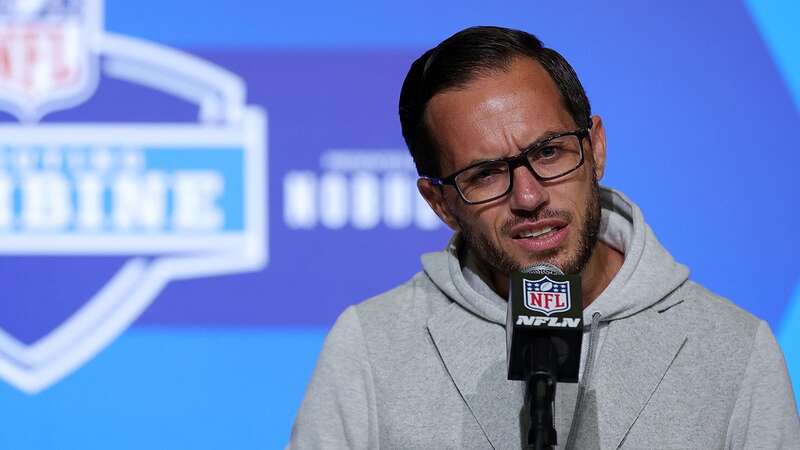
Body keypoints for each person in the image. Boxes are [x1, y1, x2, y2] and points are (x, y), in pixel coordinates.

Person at [288, 26, 799, 449]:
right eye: (485, 174)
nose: (529, 197)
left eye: (550, 152)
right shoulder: (372, 346)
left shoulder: (734, 349)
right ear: (440, 203)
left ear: (595, 146)